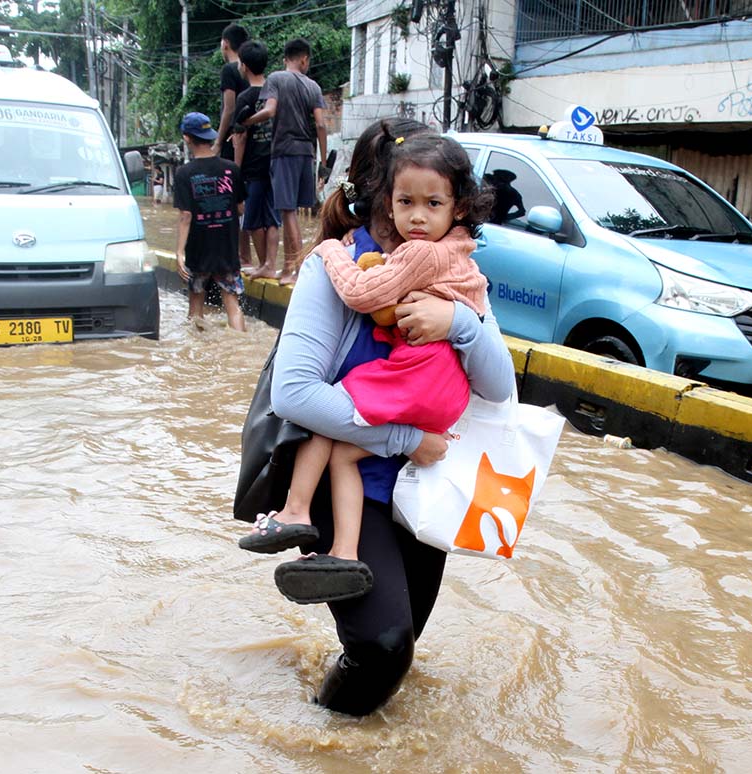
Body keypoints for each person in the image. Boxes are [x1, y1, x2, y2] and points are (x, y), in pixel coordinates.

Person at [237, 118, 515, 716]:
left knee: (404, 640)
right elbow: (294, 395)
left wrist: (460, 325)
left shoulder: (454, 277)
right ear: (381, 194)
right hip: (353, 482)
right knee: (383, 647)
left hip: (421, 490)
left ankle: (344, 720)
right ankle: (320, 737)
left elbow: (501, 388)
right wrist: (405, 437)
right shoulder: (333, 268)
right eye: (406, 196)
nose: (422, 214)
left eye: (436, 201)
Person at [240, 37, 328, 286]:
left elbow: (270, 111)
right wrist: (323, 161)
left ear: (286, 59)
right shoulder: (313, 86)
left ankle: (299, 268)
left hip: (283, 151)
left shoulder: (276, 79)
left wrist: (246, 122)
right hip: (307, 154)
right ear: (304, 59)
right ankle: (288, 268)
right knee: (297, 212)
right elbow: (321, 124)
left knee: (287, 212)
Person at [172, 112, 247, 332]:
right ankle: (240, 347)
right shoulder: (231, 169)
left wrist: (179, 253)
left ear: (187, 138)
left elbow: (186, 216)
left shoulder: (184, 173)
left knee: (195, 307)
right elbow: (241, 208)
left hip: (198, 250)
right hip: (227, 248)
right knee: (232, 305)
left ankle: (197, 355)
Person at [232, 40, 280, 280]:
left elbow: (240, 138)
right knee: (272, 217)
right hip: (276, 164)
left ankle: (264, 264)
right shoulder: (275, 93)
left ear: (244, 66)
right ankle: (271, 263)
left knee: (251, 221)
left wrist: (236, 171)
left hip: (253, 167)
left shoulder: (245, 98)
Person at [210, 23, 249, 162]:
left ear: (225, 43)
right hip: (252, 137)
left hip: (232, 138)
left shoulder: (229, 69)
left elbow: (229, 108)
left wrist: (218, 142)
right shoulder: (251, 68)